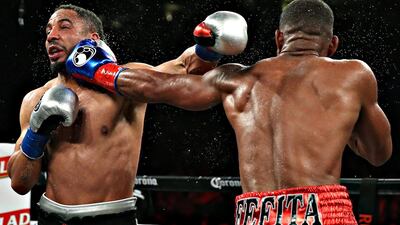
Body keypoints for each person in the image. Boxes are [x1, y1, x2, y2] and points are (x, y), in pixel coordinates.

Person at [68, 0, 393, 224]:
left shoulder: (238, 78)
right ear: (332, 45)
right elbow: (379, 154)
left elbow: (160, 87)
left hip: (254, 215)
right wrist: (344, 120)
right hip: (320, 213)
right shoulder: (353, 75)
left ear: (279, 38)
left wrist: (97, 69)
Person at [7, 4, 248, 225]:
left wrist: (207, 46)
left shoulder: (127, 82)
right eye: (48, 30)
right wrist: (37, 132)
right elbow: (19, 183)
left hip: (111, 217)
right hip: (50, 216)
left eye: (64, 26)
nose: (51, 36)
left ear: (93, 39)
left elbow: (185, 69)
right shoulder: (35, 99)